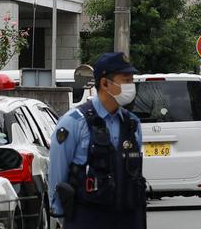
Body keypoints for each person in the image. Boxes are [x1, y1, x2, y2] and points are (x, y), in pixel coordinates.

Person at [49, 52, 146, 227]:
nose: (131, 86)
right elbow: (58, 173)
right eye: (126, 80)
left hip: (128, 218)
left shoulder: (132, 123)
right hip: (88, 217)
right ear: (105, 83)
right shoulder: (74, 122)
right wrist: (60, 213)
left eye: (132, 80)